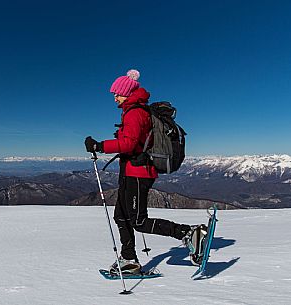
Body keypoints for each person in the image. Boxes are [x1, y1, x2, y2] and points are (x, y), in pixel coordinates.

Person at [84, 69, 206, 274]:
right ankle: (129, 258)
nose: (115, 97)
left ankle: (187, 232)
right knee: (121, 216)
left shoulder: (135, 112)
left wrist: (100, 146)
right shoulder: (134, 111)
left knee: (138, 221)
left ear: (127, 93)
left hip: (138, 173)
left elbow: (129, 143)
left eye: (117, 93)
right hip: (131, 170)